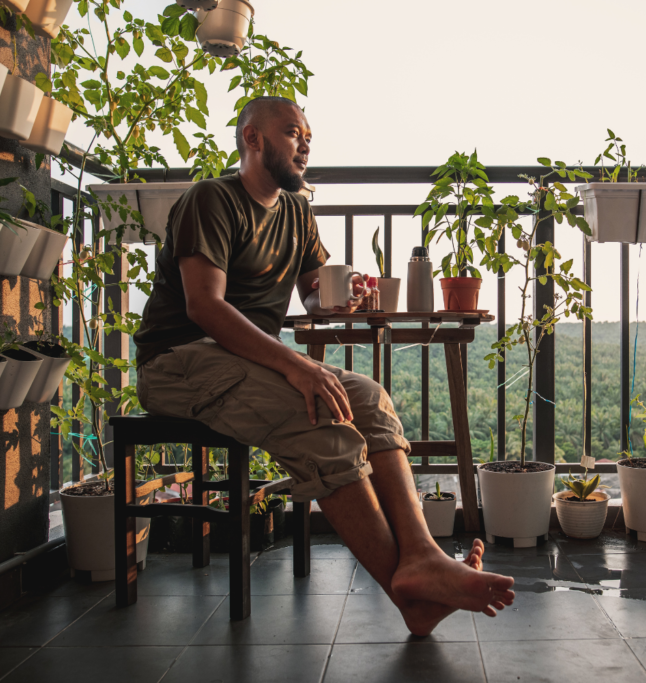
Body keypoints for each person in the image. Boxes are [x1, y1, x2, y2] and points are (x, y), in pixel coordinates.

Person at [133, 96, 514, 636]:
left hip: (244, 361)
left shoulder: (295, 212)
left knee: (369, 401)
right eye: (292, 132)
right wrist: (296, 366)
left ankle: (424, 558)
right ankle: (407, 590)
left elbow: (314, 297)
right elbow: (205, 306)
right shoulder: (211, 199)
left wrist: (343, 299)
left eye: (308, 134)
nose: (305, 142)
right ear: (252, 139)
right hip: (178, 361)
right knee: (320, 420)